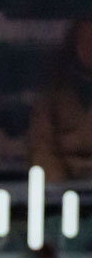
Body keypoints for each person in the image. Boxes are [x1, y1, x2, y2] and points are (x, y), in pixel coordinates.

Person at [28, 18, 92, 183]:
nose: (90, 48)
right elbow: (42, 147)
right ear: (74, 45)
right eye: (85, 42)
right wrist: (60, 187)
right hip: (65, 186)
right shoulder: (53, 93)